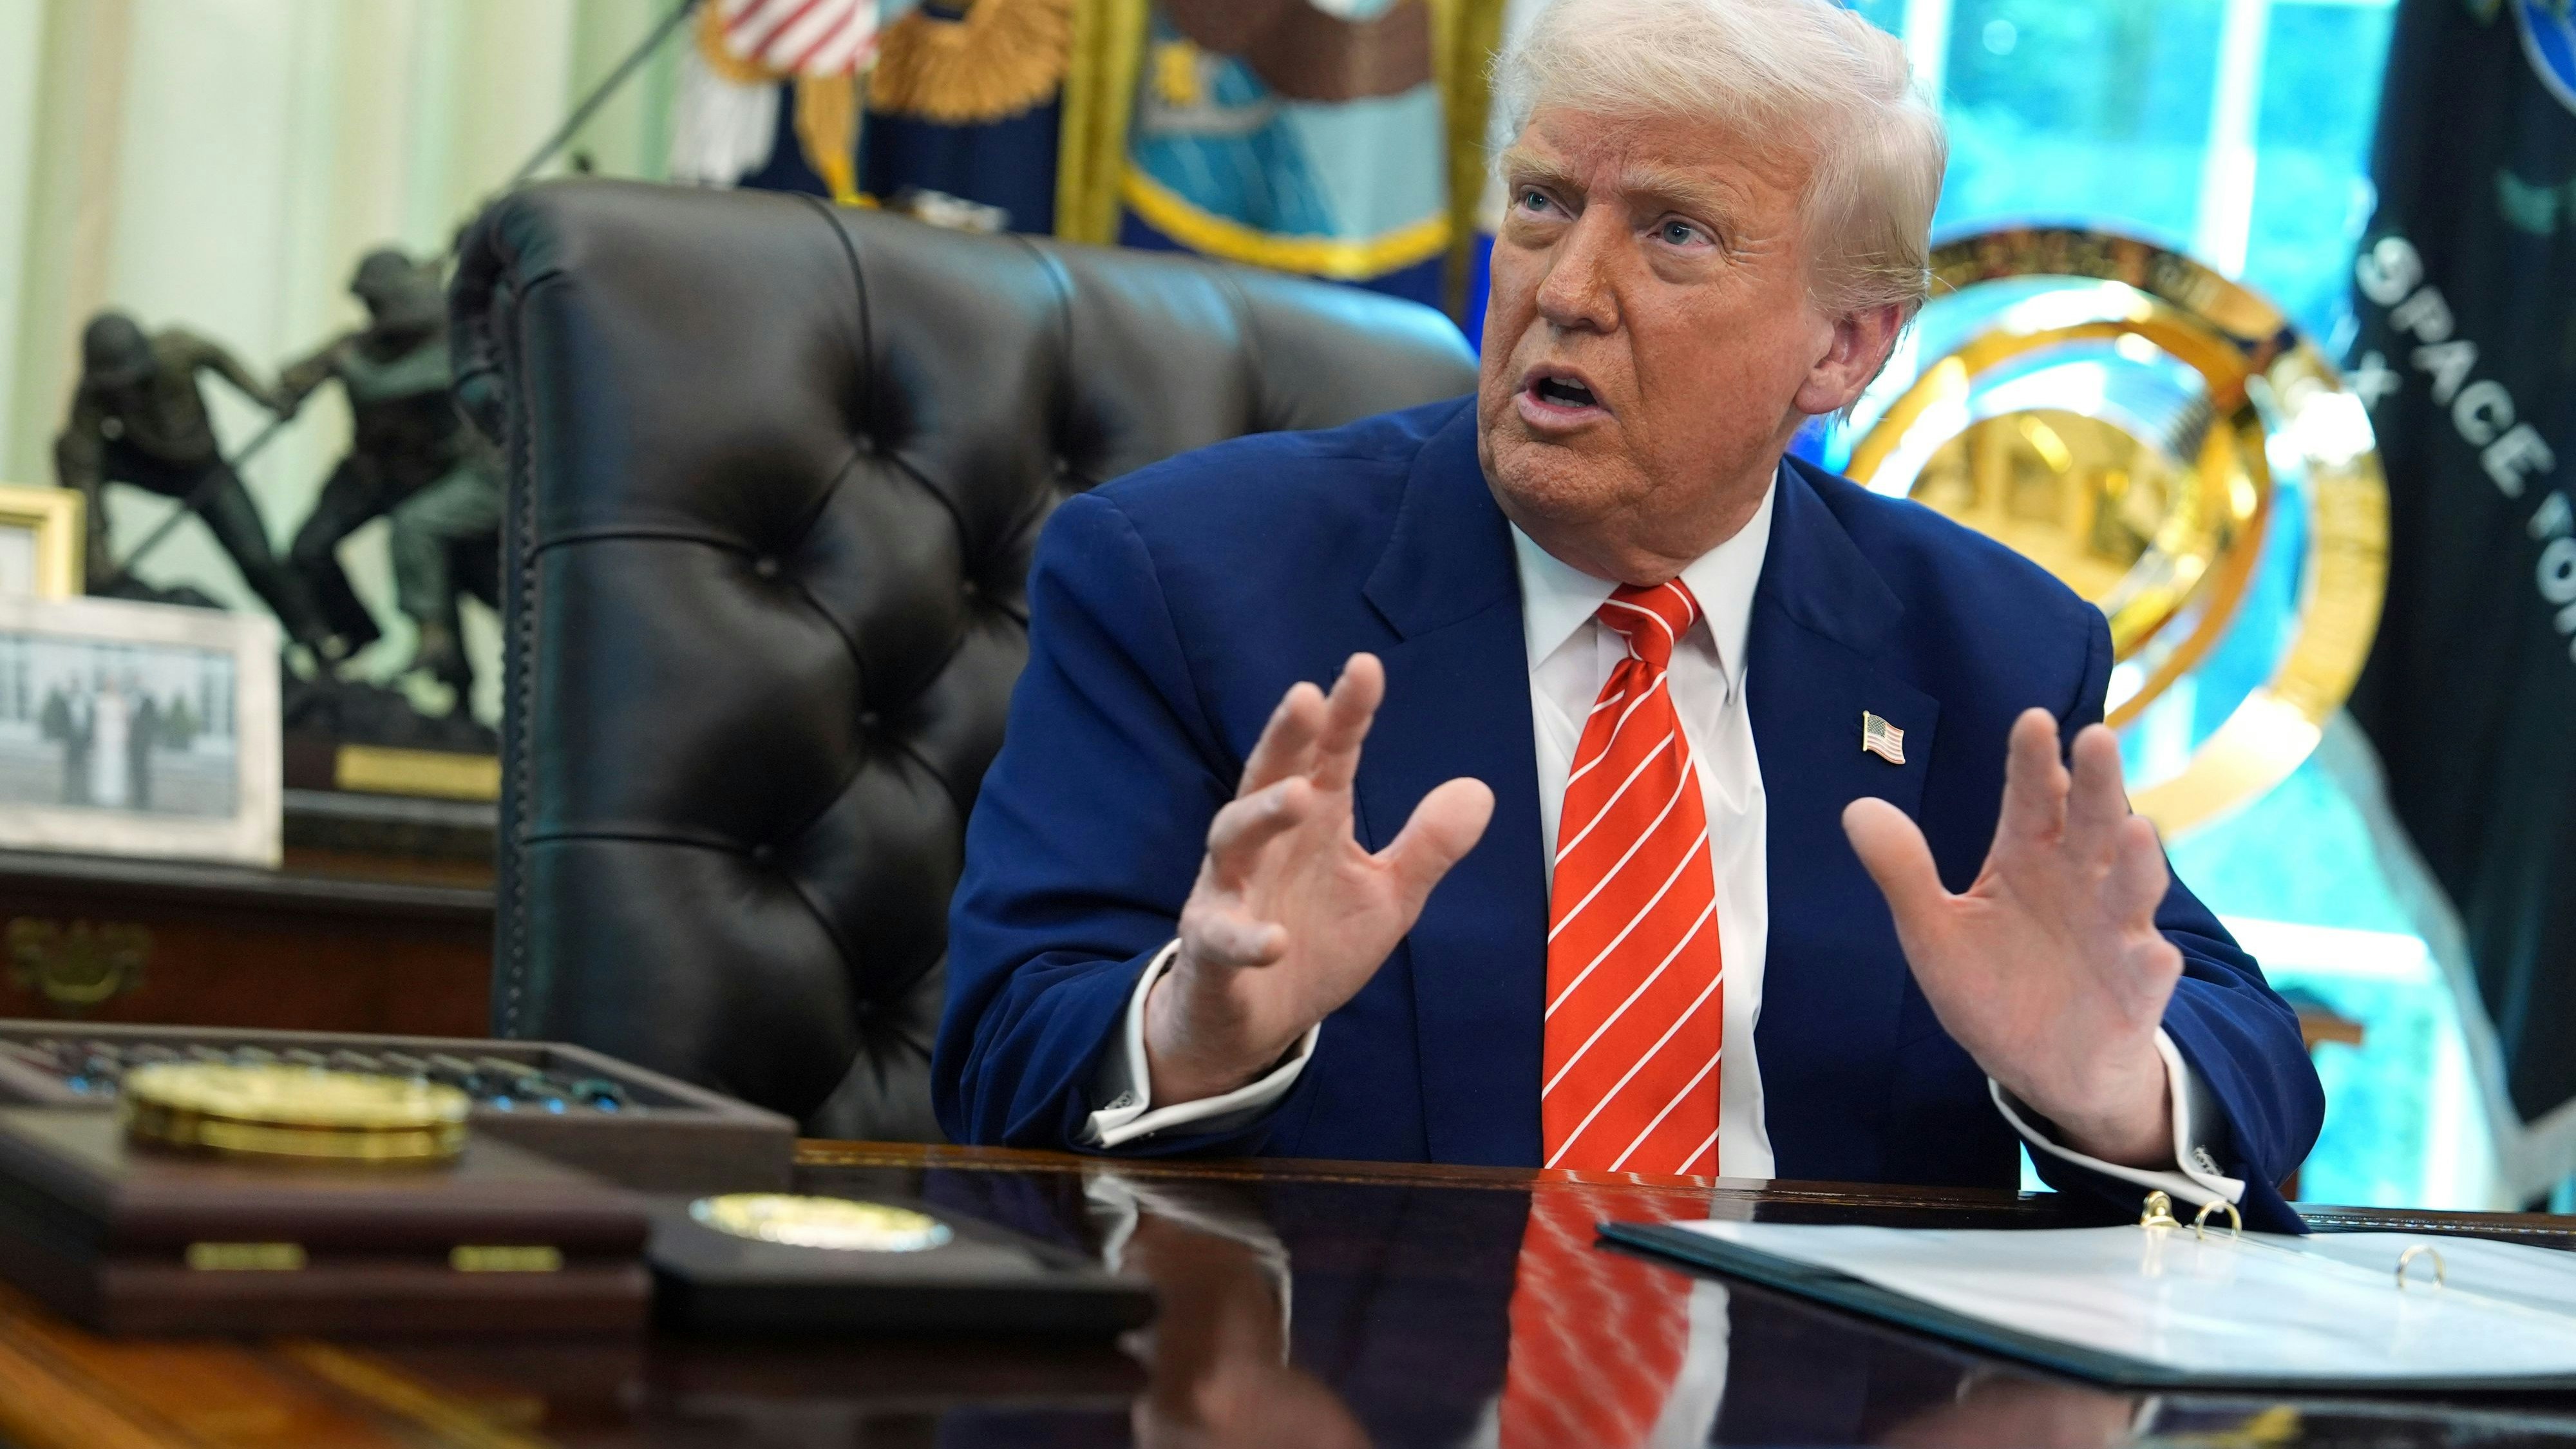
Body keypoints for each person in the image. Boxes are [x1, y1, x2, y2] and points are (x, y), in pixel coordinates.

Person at [936, 0, 2322, 1231]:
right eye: (1540, 203)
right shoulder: (1187, 580)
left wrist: (2107, 1085)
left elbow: (2240, 1053)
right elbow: (998, 1053)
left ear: (1840, 347)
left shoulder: (1984, 647)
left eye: (1672, 232)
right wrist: (1194, 1031)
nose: (1564, 288)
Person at [277, 248, 502, 697]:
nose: (372, 314)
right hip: (368, 474)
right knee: (308, 551)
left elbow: (379, 384)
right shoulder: (362, 344)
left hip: (433, 475)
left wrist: (345, 364)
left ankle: (455, 681)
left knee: (453, 576)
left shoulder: (445, 345)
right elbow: (297, 376)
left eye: (378, 303)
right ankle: (357, 631)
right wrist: (297, 384)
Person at [51, 313, 334, 651]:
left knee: (258, 560)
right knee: (71, 449)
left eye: (134, 380)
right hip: (146, 464)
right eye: (117, 386)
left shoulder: (176, 350)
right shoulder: (93, 396)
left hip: (203, 469)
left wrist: (265, 398)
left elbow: (218, 356)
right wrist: (96, 555)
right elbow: (82, 467)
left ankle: (316, 639)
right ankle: (91, 567)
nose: (127, 391)